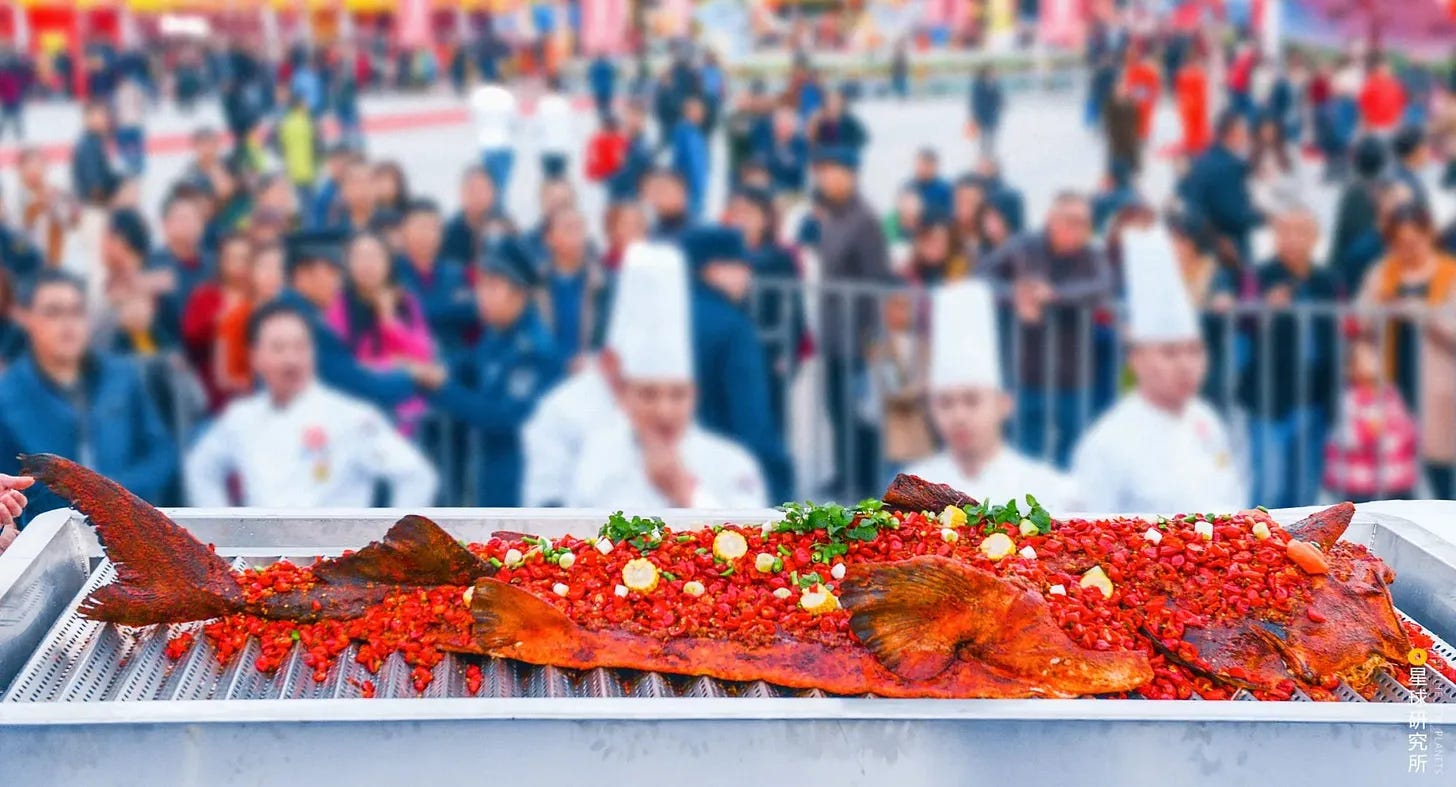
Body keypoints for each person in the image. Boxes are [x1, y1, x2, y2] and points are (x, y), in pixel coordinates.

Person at [565, 242, 767, 509]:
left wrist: (687, 496)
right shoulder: (596, 466)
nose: (664, 411)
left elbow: (749, 532)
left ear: (695, 395)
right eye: (648, 394)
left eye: (677, 394)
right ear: (625, 396)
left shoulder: (731, 464)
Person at [184, 301, 437, 508]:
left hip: (335, 553)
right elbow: (201, 468)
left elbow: (416, 476)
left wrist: (392, 546)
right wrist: (219, 539)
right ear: (255, 357)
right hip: (262, 553)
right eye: (278, 348)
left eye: (300, 347)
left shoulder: (351, 416)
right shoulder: (241, 417)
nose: (291, 359)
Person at [1072, 226, 1246, 513]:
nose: (1186, 365)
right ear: (1136, 359)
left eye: (1194, 351)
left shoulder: (1206, 420)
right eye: (1169, 352)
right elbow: (1088, 527)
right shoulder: (1108, 442)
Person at [0, 271, 176, 518]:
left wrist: (117, 495)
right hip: (48, 528)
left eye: (76, 312)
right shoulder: (8, 396)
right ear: (27, 318)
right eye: (53, 312)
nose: (67, 324)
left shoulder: (122, 377)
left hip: (131, 519)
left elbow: (161, 452)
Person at [415, 238, 563, 507]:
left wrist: (443, 389)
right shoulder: (499, 334)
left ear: (519, 294)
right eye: (481, 285)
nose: (481, 295)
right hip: (487, 475)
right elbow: (470, 363)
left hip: (521, 486)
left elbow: (503, 417)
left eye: (492, 286)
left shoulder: (533, 351)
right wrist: (435, 370)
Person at [907, 280, 1077, 511]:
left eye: (972, 401)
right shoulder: (913, 490)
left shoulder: (1048, 490)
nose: (959, 416)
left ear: (1003, 404)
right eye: (945, 403)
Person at [978, 193, 1114, 465]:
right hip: (1027, 372)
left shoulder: (1091, 254)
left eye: (1085, 223)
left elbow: (1103, 286)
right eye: (1072, 221)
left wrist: (1054, 295)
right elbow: (982, 277)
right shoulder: (1024, 245)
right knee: (1024, 454)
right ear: (1051, 220)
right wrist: (1016, 294)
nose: (1080, 229)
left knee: (1073, 456)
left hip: (1074, 374)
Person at [682, 225, 795, 503]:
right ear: (713, 269)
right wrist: (777, 481)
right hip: (727, 474)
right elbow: (752, 419)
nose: (748, 274)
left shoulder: (668, 315)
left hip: (673, 471)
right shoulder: (733, 328)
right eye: (741, 265)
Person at [1239, 210, 1340, 509]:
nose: (1293, 240)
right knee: (1269, 490)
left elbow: (1344, 328)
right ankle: (1259, 539)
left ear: (1315, 238)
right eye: (1286, 232)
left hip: (1316, 397)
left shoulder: (1328, 280)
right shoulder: (1259, 276)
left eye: (1301, 232)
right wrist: (1265, 309)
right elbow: (1241, 321)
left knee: (1305, 492)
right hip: (1271, 399)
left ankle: (1298, 541)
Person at [1355, 203, 1456, 499]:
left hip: (1439, 389)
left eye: (1414, 241)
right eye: (1400, 243)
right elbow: (1358, 319)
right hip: (1391, 384)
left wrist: (1425, 316)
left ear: (1429, 235)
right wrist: (1378, 309)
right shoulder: (1383, 272)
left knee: (1440, 470)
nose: (1408, 250)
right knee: (1395, 471)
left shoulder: (1450, 273)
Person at [811, 146, 893, 497]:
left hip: (857, 334)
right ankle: (843, 472)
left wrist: (872, 337)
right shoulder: (833, 217)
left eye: (833, 171)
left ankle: (862, 479)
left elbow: (877, 279)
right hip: (833, 332)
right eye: (822, 172)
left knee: (858, 410)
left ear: (850, 175)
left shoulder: (865, 220)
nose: (825, 178)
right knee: (836, 406)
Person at [275, 230, 421, 412]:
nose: (338, 283)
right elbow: (364, 387)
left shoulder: (286, 310)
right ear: (302, 275)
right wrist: (410, 375)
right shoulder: (306, 326)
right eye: (332, 272)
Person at [328, 233, 435, 435]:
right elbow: (344, 364)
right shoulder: (337, 304)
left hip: (403, 412)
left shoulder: (406, 301)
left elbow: (423, 355)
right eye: (359, 257)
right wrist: (395, 366)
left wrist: (389, 321)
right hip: (355, 406)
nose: (367, 264)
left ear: (388, 262)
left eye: (374, 256)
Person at [1179, 111, 1264, 266]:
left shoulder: (1203, 160)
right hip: (1226, 245)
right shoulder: (1226, 166)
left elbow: (1183, 191)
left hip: (1202, 241)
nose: (1246, 137)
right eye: (1243, 132)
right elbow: (1233, 213)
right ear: (1231, 134)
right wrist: (1263, 218)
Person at [395, 199, 477, 355]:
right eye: (419, 227)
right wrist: (448, 309)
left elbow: (474, 313)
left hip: (456, 360)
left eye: (432, 228)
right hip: (409, 361)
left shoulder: (457, 273)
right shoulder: (391, 273)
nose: (425, 234)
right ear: (403, 231)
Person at [536, 206, 607, 363]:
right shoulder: (534, 284)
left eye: (580, 228)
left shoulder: (603, 284)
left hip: (589, 370)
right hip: (546, 369)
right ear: (549, 238)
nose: (577, 236)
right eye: (568, 229)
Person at [469, 81, 517, 194]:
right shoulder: (507, 97)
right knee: (501, 186)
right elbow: (514, 122)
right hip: (504, 144)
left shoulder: (478, 96)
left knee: (489, 185)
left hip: (486, 145)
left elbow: (473, 118)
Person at [671, 96, 710, 220]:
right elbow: (686, 162)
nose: (702, 114)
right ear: (688, 111)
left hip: (697, 189)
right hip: (689, 188)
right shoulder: (684, 132)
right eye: (698, 110)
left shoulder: (695, 132)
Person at [536, 80, 574, 180]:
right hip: (562, 147)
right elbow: (570, 126)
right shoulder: (565, 104)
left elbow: (537, 127)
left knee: (548, 181)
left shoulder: (543, 104)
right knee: (560, 181)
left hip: (546, 147)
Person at [1359, 57, 1406, 136]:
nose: (1385, 71)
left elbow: (1401, 105)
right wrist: (1366, 124)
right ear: (1378, 69)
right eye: (1383, 68)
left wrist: (1399, 122)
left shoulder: (1396, 85)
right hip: (1374, 125)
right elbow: (1364, 106)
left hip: (1391, 125)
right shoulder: (1371, 84)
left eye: (1387, 68)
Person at [1390, 125, 1432, 214]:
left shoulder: (1399, 173)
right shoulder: (1402, 186)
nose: (1428, 151)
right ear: (1417, 150)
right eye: (1425, 146)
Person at [969, 65, 1005, 157]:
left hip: (992, 116)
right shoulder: (978, 85)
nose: (994, 74)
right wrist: (975, 116)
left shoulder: (995, 84)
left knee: (991, 138)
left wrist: (1002, 104)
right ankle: (983, 156)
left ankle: (989, 155)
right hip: (982, 116)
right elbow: (975, 102)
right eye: (992, 72)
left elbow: (999, 98)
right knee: (983, 138)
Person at [907, 148, 953, 219]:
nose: (923, 169)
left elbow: (950, 213)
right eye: (921, 164)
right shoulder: (909, 187)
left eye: (927, 165)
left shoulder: (945, 189)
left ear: (935, 167)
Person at [588, 54, 617, 121]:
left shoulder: (594, 67)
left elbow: (591, 77)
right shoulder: (608, 66)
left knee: (600, 106)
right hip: (607, 88)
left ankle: (601, 119)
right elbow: (613, 76)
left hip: (598, 89)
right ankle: (607, 118)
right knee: (607, 106)